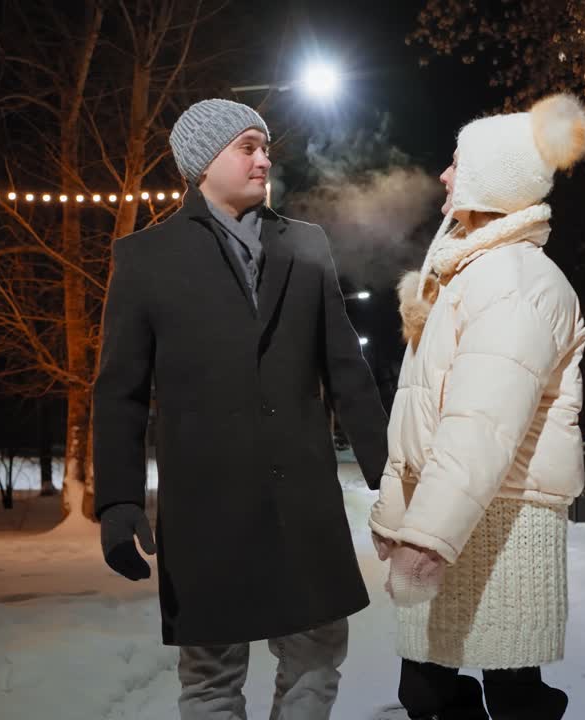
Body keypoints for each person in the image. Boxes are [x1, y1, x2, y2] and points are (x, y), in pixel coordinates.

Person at [91, 98, 389, 720]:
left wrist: (393, 476)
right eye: (247, 147)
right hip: (206, 506)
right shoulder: (144, 259)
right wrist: (117, 502)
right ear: (203, 162)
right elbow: (119, 391)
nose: (263, 159)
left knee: (317, 653)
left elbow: (348, 376)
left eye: (265, 147)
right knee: (210, 676)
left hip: (303, 502)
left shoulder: (306, 245)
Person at [369, 93, 585, 720]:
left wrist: (425, 540)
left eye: (456, 163)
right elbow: (422, 410)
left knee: (507, 697)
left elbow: (481, 428)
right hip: (458, 513)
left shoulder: (518, 283)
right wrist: (400, 509)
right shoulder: (469, 272)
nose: (444, 175)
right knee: (431, 691)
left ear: (492, 180)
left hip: (502, 524)